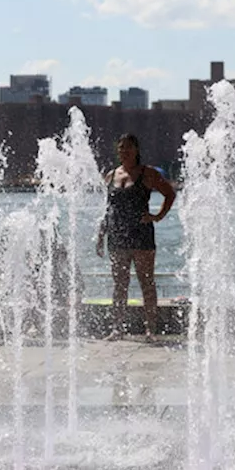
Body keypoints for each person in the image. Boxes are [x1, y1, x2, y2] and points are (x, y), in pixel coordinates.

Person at [95, 133, 176, 341]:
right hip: (117, 236)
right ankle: (117, 328)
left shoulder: (147, 173)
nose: (124, 151)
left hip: (141, 237)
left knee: (146, 283)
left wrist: (157, 216)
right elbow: (108, 209)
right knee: (119, 285)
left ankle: (151, 330)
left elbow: (170, 193)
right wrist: (100, 235)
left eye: (129, 147)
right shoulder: (111, 175)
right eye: (121, 147)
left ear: (137, 150)